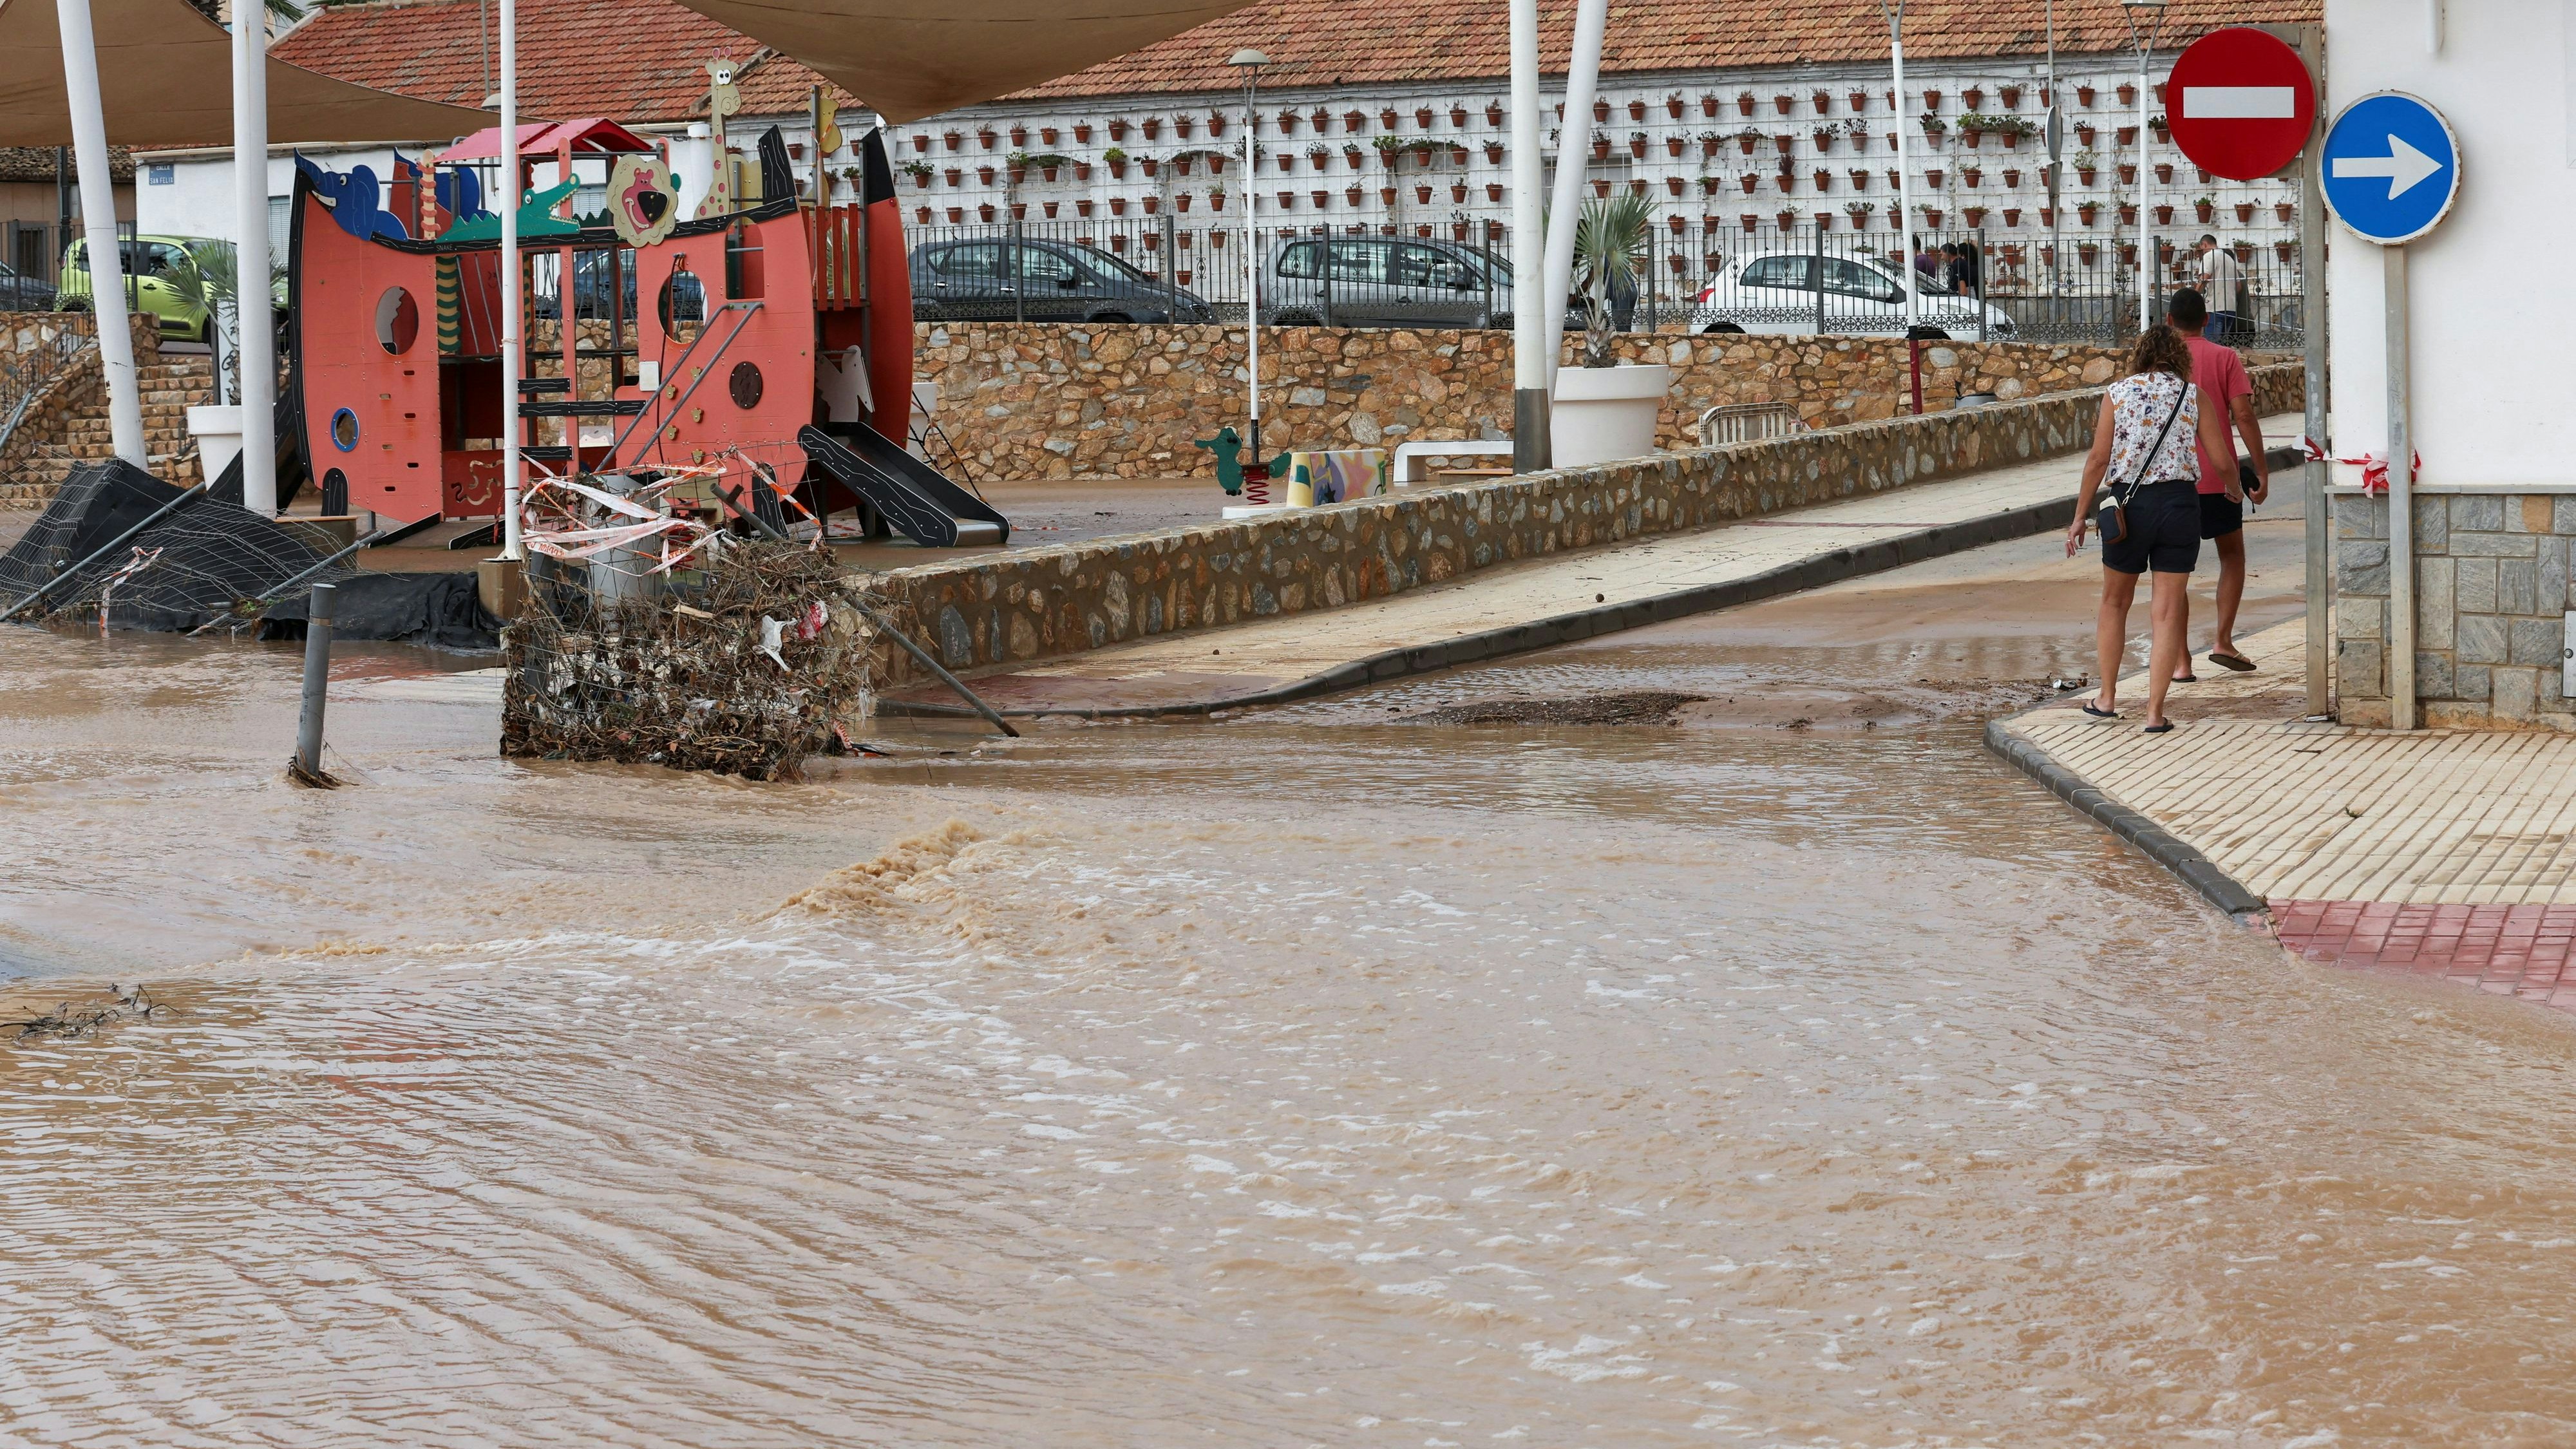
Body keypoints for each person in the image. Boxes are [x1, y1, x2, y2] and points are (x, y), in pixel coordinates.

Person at [2065, 324, 2242, 734]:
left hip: (2129, 506)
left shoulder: (2118, 393)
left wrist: (2079, 516)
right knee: (2166, 611)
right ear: (2179, 358)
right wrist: (2233, 490)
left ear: (2140, 355)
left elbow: (2097, 459)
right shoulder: (2192, 395)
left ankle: (2107, 699)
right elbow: (2220, 457)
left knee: (2114, 602)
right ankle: (2154, 713)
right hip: (2181, 506)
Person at [2166, 287, 2269, 676]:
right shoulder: (2225, 357)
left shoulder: (2161, 364)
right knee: (2232, 556)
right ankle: (2223, 640)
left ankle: (2180, 661)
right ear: (2208, 321)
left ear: (2170, 321)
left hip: (2174, 481)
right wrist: (2259, 469)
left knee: (2174, 570)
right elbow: (2243, 415)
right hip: (2220, 480)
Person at [2193, 235, 2244, 343]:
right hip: (2231, 308)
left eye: (2201, 247)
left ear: (2205, 245)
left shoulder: (2208, 257)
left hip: (2214, 308)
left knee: (2212, 344)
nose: (2202, 251)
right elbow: (2239, 287)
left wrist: (2194, 295)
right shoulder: (2229, 258)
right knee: (2223, 346)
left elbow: (2204, 278)